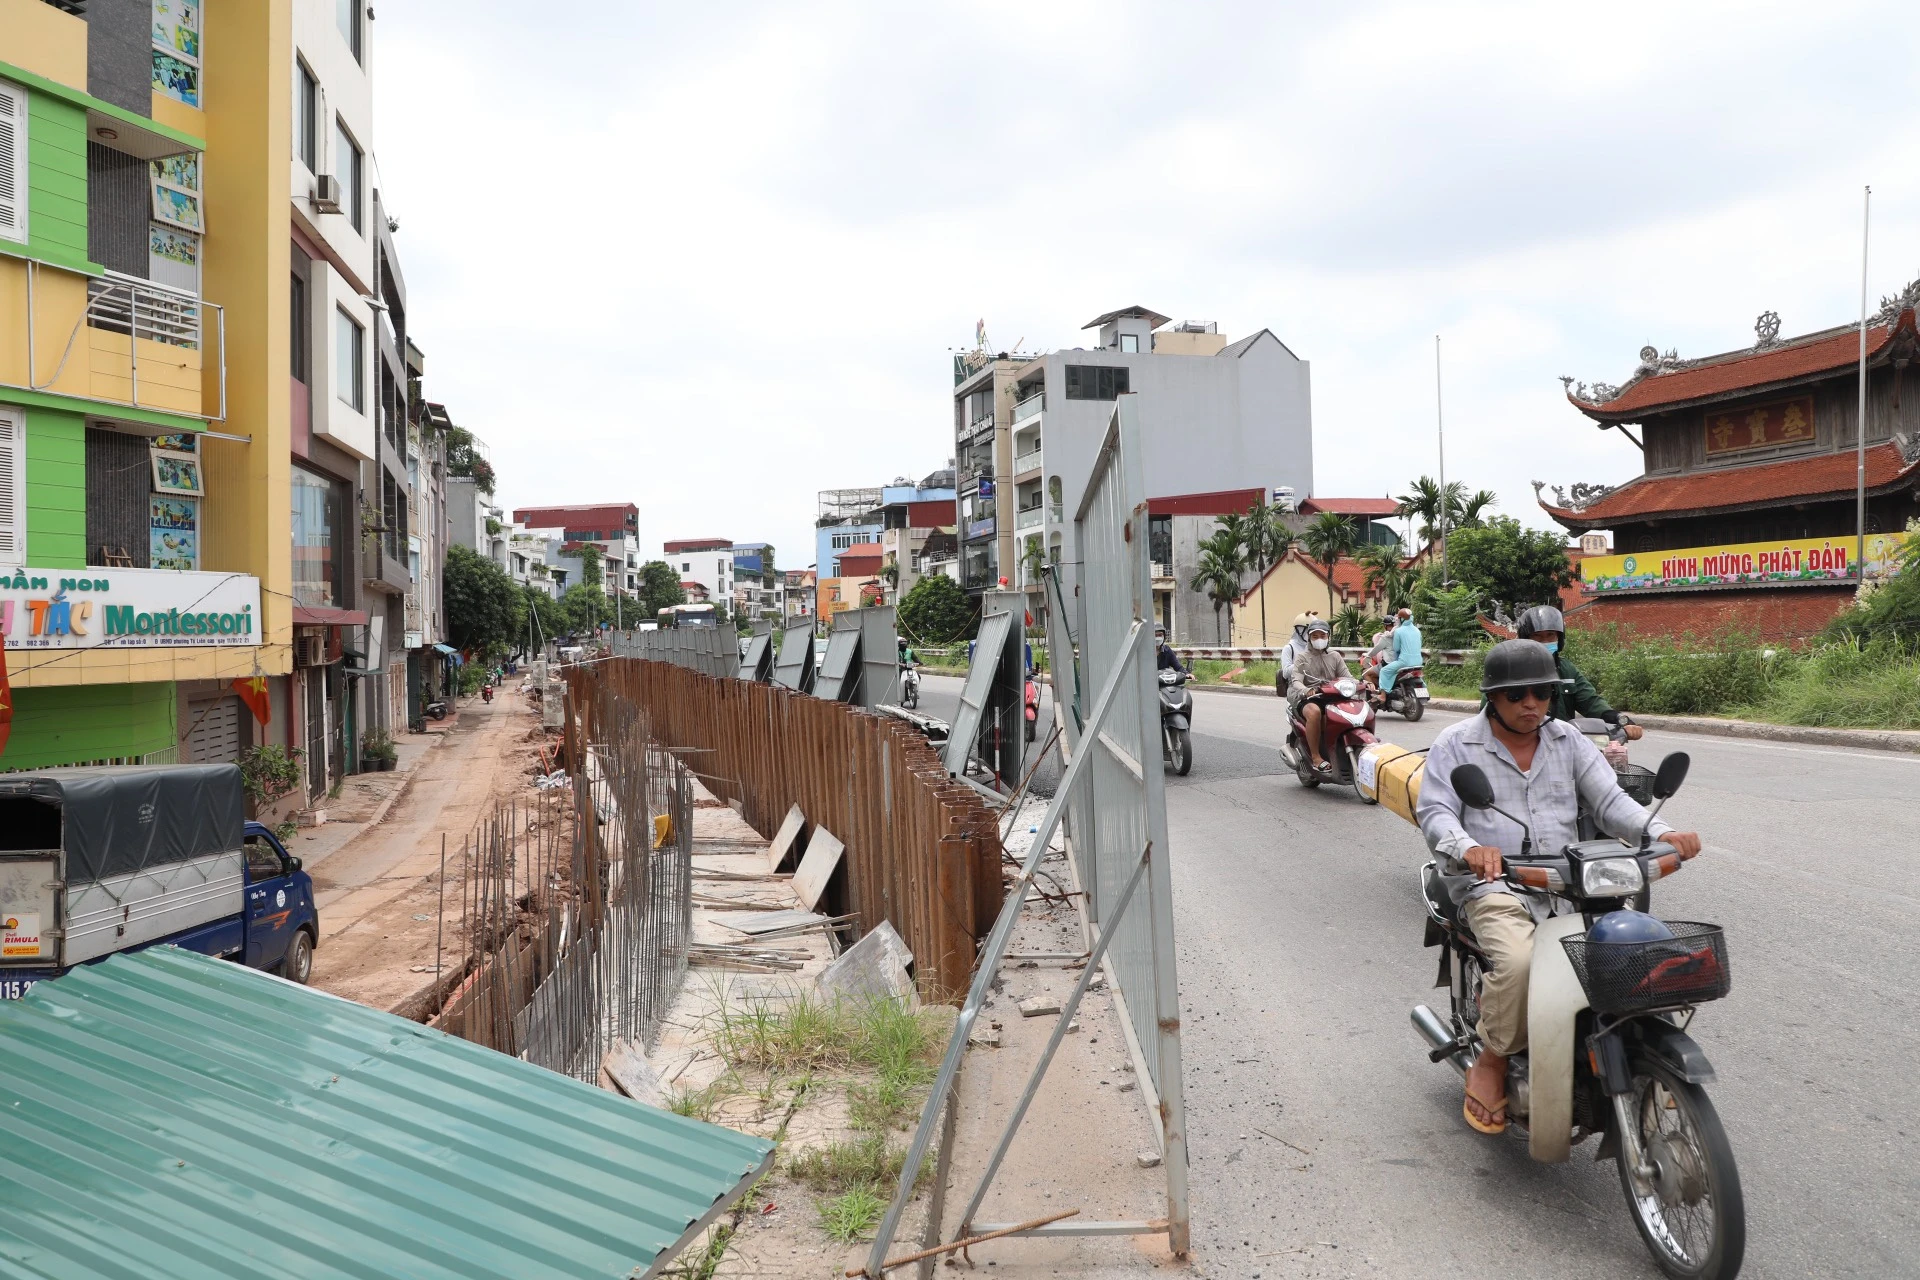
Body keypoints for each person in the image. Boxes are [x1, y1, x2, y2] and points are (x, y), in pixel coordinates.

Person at [1416, 640, 1705, 1135]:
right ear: (1493, 698)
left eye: (1543, 693)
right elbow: (1436, 811)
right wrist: (1469, 848)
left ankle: (1633, 1048)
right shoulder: (1456, 744)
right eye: (1518, 695)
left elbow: (1611, 802)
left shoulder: (1567, 739)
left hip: (1570, 882)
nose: (1532, 704)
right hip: (1495, 885)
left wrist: (1661, 833)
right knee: (1522, 962)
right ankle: (1492, 1058)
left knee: (1638, 947)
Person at [1287, 617, 1356, 774]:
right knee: (1315, 712)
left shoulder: (1335, 656)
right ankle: (1316, 757)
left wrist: (1363, 684)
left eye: (1323, 636)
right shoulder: (1302, 658)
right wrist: (1306, 690)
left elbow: (1347, 676)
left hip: (1332, 696)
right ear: (1310, 638)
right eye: (1315, 636)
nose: (1319, 639)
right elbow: (1296, 680)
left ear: (1328, 637)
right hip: (1309, 698)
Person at [1375, 606, 1422, 698]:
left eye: (1399, 618)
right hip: (1418, 662)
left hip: (1404, 662)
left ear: (1402, 619)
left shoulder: (1399, 631)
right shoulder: (1417, 631)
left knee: (1384, 671)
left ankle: (1383, 695)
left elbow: (1396, 648)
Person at [1277, 612, 1318, 685]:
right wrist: (1303, 663)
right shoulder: (1289, 648)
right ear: (1300, 630)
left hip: (1313, 683)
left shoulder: (1313, 647)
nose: (1311, 634)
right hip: (1294, 685)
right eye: (1308, 631)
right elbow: (1285, 673)